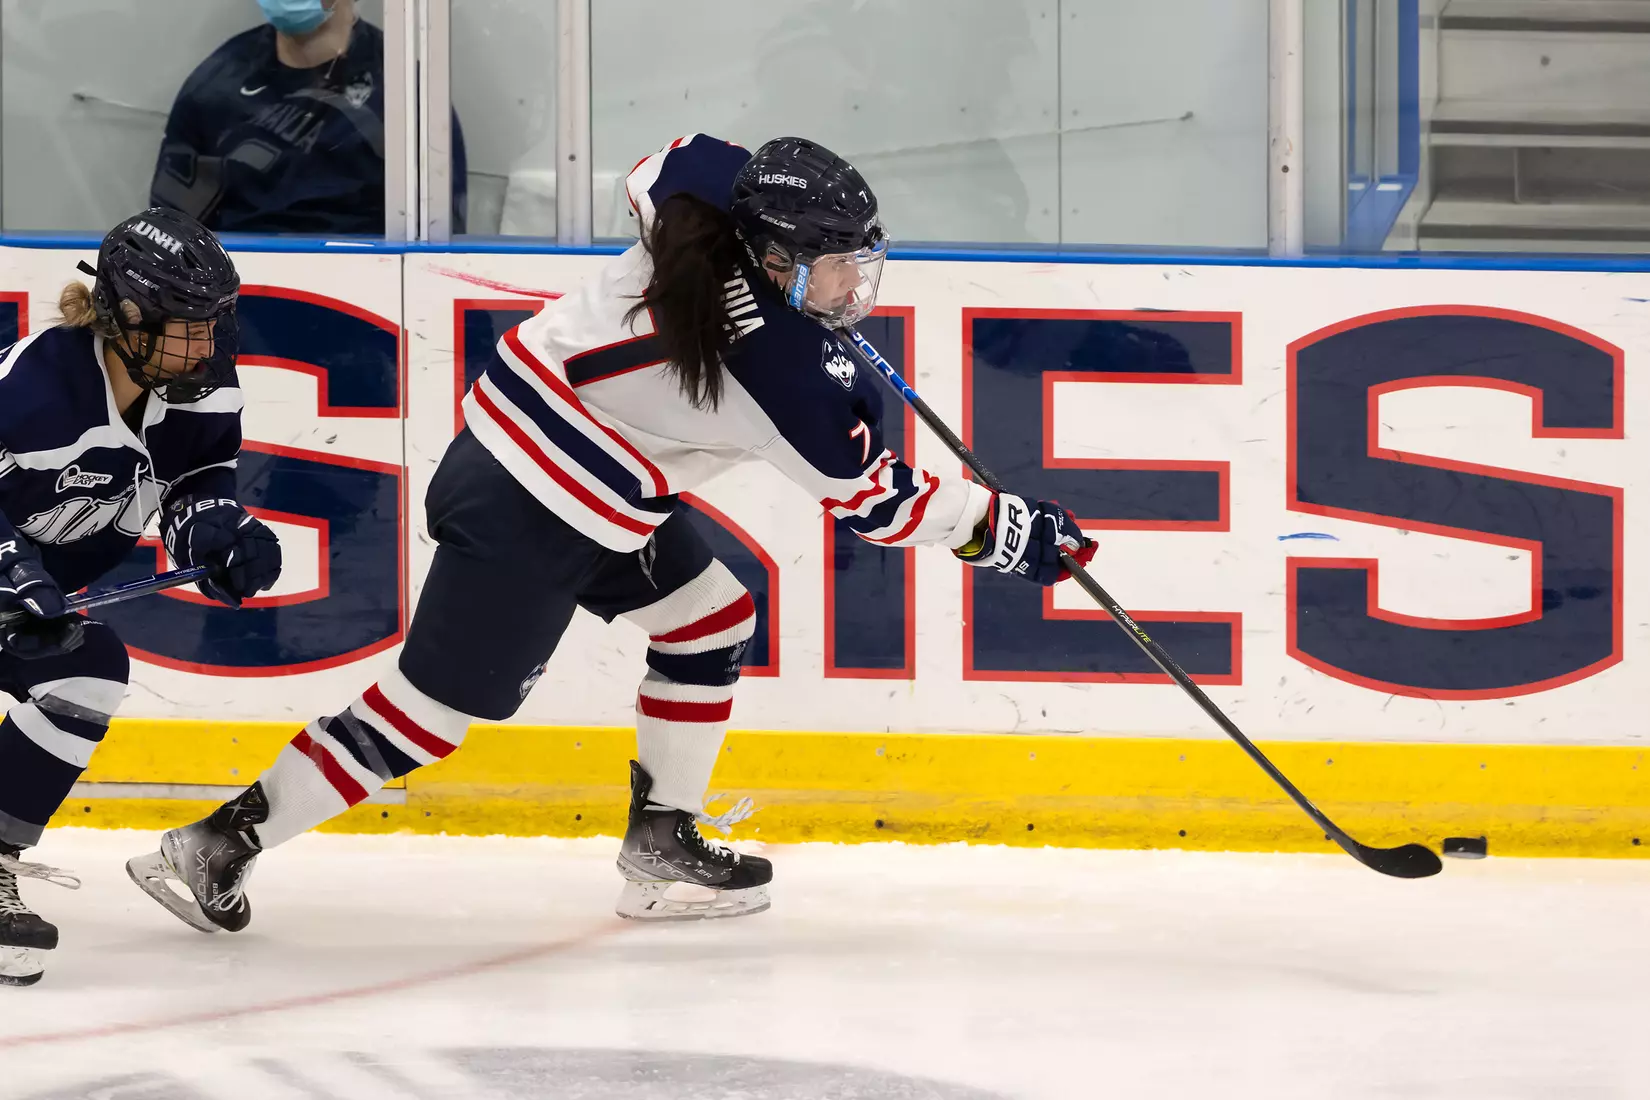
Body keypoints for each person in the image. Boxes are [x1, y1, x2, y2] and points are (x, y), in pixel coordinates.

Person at [126, 133, 1092, 931]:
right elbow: (879, 504)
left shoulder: (709, 191)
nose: (852, 288)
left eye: (858, 263)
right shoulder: (780, 377)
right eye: (835, 269)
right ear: (774, 256)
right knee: (430, 714)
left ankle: (662, 842)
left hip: (586, 473)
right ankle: (216, 842)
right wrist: (1005, 528)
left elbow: (657, 166)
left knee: (711, 621)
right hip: (524, 498)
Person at [0, 209, 283, 986]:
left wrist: (217, 534)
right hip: (11, 581)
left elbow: (195, 478)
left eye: (210, 325)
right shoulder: (38, 386)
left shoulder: (203, 388)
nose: (203, 346)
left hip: (26, 598)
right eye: (184, 327)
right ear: (125, 316)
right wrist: (12, 567)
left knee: (89, 667)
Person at [148, 0, 467, 235]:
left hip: (365, 306)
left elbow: (436, 257)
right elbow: (168, 238)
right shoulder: (215, 85)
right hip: (234, 301)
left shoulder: (408, 95)